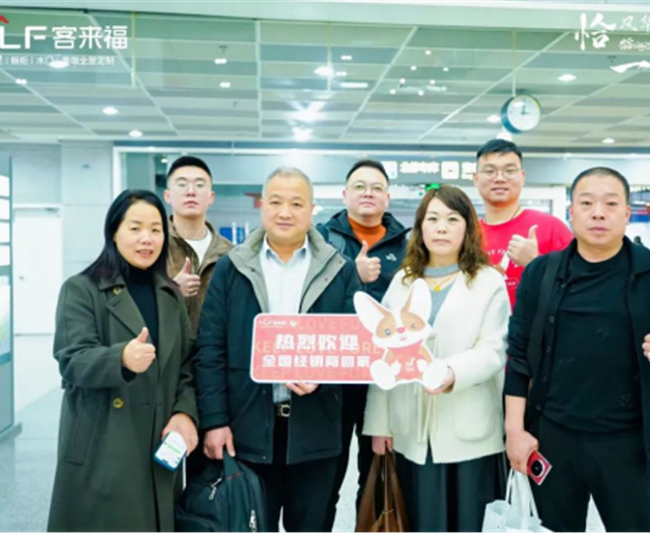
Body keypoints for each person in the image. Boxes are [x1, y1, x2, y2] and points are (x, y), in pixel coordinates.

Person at [504, 167, 650, 532]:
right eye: (587, 203)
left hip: (629, 444)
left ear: (627, 213)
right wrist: (514, 432)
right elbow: (518, 357)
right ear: (571, 212)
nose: (598, 212)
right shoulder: (541, 273)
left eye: (611, 204)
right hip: (553, 438)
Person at [194, 166, 361, 532]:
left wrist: (323, 377)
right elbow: (210, 349)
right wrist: (215, 421)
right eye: (276, 202)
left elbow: (353, 346)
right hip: (247, 431)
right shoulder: (232, 268)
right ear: (262, 206)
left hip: (315, 431)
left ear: (312, 209)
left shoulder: (340, 269)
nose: (285, 212)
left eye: (296, 203)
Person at [48, 190, 198, 532]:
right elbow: (72, 359)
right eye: (135, 228)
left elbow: (188, 364)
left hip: (160, 441)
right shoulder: (82, 289)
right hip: (103, 444)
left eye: (156, 229)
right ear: (114, 232)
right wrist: (121, 358)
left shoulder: (170, 295)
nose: (147, 239)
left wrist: (185, 412)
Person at [363, 185, 510, 532]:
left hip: (470, 429)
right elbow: (383, 352)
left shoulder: (487, 281)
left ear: (468, 228)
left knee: (469, 520)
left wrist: (452, 372)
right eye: (432, 219)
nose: (441, 228)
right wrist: (380, 424)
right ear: (420, 227)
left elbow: (494, 348)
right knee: (420, 518)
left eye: (452, 219)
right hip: (410, 429)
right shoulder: (402, 281)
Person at [317, 159, 409, 529]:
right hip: (334, 377)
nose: (367, 193)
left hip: (385, 376)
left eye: (376, 187)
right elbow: (310, 301)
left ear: (387, 197)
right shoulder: (322, 238)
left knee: (378, 474)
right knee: (326, 476)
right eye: (359, 186)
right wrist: (350, 274)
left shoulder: (407, 245)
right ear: (344, 194)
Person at [472, 139, 573, 308]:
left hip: (536, 324)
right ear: (476, 179)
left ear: (522, 177)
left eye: (509, 171)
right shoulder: (465, 233)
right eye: (489, 171)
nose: (499, 178)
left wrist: (535, 263)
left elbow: (579, 289)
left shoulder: (551, 228)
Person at [164, 156, 232, 334]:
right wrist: (171, 292)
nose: (191, 191)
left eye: (200, 185)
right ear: (167, 196)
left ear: (211, 197)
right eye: (182, 184)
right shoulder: (154, 247)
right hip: (164, 348)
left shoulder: (230, 254)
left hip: (214, 349)